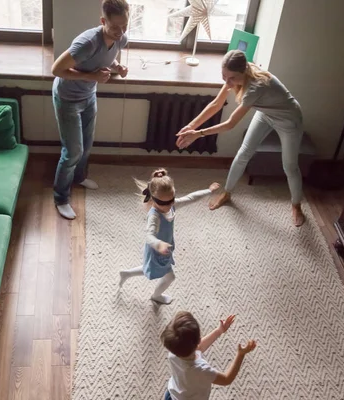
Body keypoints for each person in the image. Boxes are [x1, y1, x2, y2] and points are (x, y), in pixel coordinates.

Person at [176, 50, 307, 227]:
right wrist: (191, 126)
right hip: (266, 113)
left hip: (288, 119)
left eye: (232, 79)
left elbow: (230, 124)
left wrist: (197, 135)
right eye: (224, 76)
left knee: (289, 166)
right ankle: (227, 193)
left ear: (244, 71)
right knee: (244, 153)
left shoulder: (255, 87)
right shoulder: (236, 73)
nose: (227, 83)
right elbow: (216, 103)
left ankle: (296, 205)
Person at [50, 0, 129, 219]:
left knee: (86, 146)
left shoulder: (120, 39)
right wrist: (90, 77)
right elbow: (56, 69)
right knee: (72, 151)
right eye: (115, 28)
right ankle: (61, 198)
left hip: (88, 96)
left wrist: (117, 68)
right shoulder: (87, 42)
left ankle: (79, 177)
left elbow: (106, 59)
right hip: (67, 98)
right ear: (103, 21)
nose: (120, 32)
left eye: (124, 27)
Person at [119, 169, 220, 304]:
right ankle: (156, 295)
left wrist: (208, 191)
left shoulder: (171, 205)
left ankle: (126, 273)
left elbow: (190, 198)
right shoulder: (154, 216)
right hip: (157, 250)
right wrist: (159, 244)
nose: (168, 206)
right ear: (153, 199)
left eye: (171, 200)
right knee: (169, 277)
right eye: (163, 203)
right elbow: (149, 236)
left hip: (165, 248)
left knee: (149, 268)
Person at [161, 311, 257, 400]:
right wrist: (241, 354)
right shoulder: (201, 370)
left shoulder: (173, 353)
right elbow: (227, 379)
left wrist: (219, 330)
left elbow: (199, 347)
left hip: (172, 395)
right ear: (198, 339)